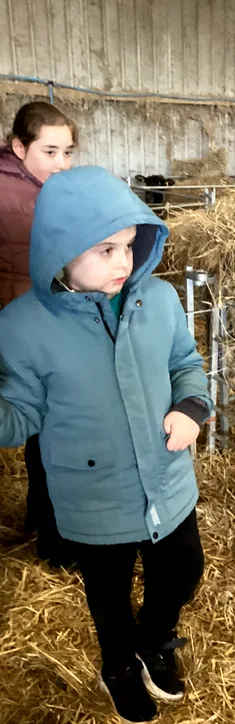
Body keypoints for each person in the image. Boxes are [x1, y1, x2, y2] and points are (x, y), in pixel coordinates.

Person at [0, 166, 212, 724]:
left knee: (184, 569)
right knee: (108, 593)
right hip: (91, 494)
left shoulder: (159, 299)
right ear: (60, 251)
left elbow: (185, 363)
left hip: (167, 477)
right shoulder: (23, 327)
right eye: (105, 249)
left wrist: (192, 407)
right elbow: (19, 416)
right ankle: (118, 666)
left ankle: (155, 638)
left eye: (130, 245)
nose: (124, 262)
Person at [0, 101, 78, 566]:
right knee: (48, 429)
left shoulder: (42, 190)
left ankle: (40, 521)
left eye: (67, 152)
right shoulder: (15, 196)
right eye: (50, 152)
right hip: (19, 331)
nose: (62, 163)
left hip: (30, 327)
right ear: (19, 147)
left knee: (39, 428)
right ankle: (56, 541)